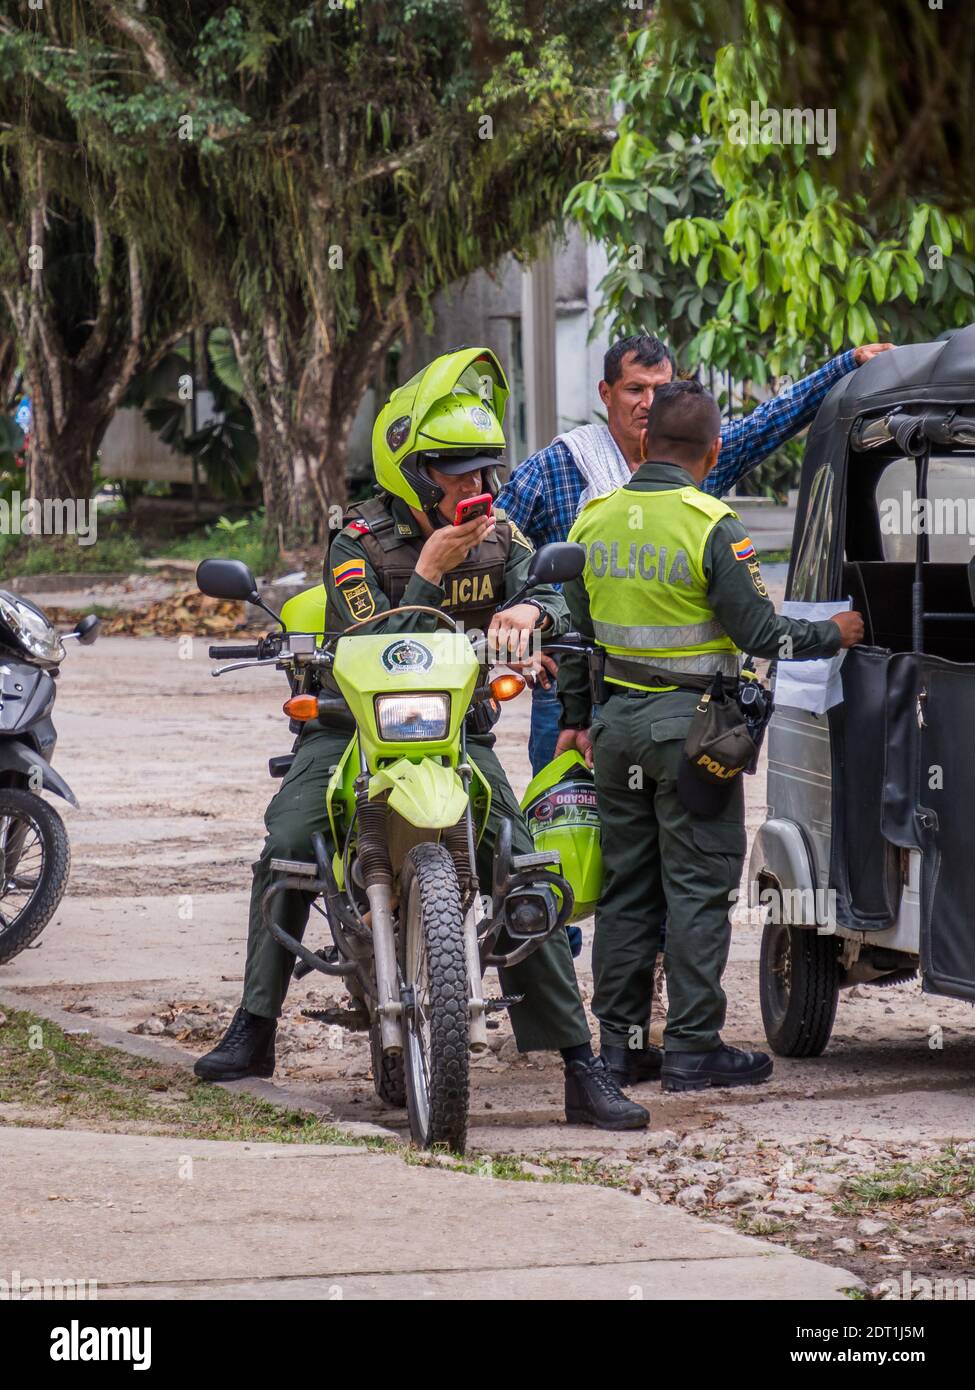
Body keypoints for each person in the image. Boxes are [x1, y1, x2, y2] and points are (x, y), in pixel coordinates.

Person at [195, 347, 649, 1132]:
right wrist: (433, 575)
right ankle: (255, 1027)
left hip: (452, 737)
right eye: (457, 474)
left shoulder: (500, 535)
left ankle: (581, 1067)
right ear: (413, 472)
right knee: (289, 842)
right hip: (349, 732)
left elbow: (554, 589)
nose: (477, 489)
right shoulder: (358, 541)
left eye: (483, 473)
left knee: (520, 858)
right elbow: (373, 641)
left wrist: (533, 614)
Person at [555, 380, 864, 1092]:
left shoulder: (593, 518)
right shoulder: (710, 524)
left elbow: (572, 637)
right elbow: (761, 633)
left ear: (643, 442)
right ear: (713, 450)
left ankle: (621, 1049)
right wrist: (834, 630)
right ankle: (693, 1047)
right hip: (694, 735)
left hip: (618, 730)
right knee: (694, 888)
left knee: (627, 891)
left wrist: (577, 718)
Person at [496, 334, 892, 776]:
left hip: (678, 697)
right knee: (565, 827)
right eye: (634, 389)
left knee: (643, 832)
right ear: (605, 393)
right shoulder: (558, 467)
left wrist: (845, 366)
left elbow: (770, 421)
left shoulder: (694, 455)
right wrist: (524, 631)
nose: (648, 403)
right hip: (572, 689)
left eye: (659, 391)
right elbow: (490, 548)